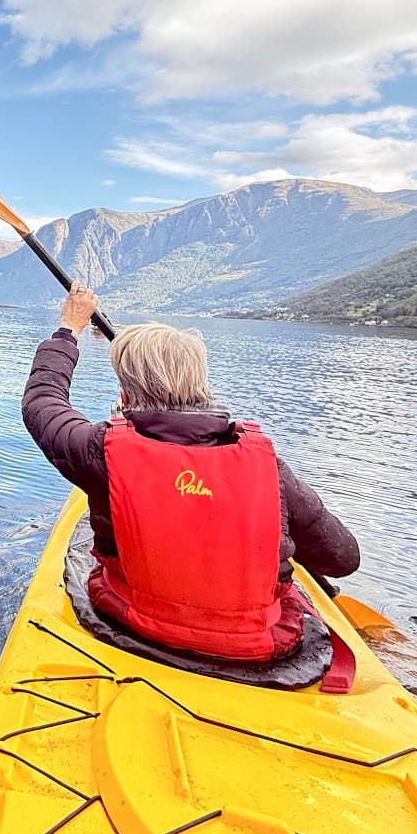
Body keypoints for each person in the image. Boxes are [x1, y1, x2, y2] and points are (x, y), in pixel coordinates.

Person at [22, 282, 359, 666]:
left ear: (126, 396)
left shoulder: (100, 453)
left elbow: (43, 401)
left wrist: (69, 329)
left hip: (131, 625)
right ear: (201, 384)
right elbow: (343, 559)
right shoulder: (266, 466)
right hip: (261, 647)